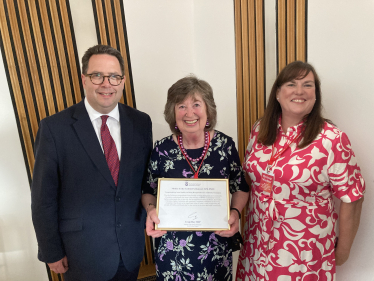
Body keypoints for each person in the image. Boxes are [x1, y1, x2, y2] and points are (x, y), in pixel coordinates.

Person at [31, 45, 152, 281]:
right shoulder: (54, 128)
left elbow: (147, 181)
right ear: (84, 79)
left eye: (114, 76)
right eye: (97, 75)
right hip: (81, 254)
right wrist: (51, 251)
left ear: (123, 81)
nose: (107, 84)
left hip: (130, 249)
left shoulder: (140, 122)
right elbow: (43, 199)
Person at [236, 61, 365, 280]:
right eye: (291, 84)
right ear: (277, 93)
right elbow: (250, 179)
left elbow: (352, 197)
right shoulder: (260, 130)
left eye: (307, 85)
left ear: (316, 95)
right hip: (257, 244)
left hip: (303, 252)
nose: (299, 91)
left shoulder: (332, 139)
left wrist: (342, 252)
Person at [142, 75, 249, 280]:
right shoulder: (162, 149)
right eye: (181, 106)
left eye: (196, 104)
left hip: (215, 248)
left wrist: (235, 212)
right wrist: (151, 210)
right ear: (173, 112)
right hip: (172, 250)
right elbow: (148, 191)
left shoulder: (225, 146)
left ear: (208, 109)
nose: (189, 113)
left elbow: (240, 187)